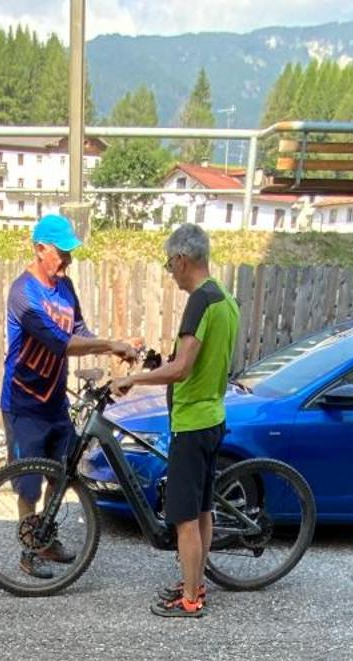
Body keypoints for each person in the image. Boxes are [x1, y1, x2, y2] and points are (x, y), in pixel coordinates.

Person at [1, 213, 140, 581]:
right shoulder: (23, 293)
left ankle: (47, 540)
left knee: (61, 473)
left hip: (54, 403)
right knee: (28, 484)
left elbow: (78, 329)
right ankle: (29, 551)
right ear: (40, 248)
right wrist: (108, 342)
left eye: (70, 253)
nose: (67, 260)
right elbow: (59, 342)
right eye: (61, 253)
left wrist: (114, 348)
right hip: (23, 403)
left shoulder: (66, 287)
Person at [113, 223, 239, 619]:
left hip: (192, 422)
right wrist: (157, 364)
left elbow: (182, 369)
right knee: (203, 511)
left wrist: (133, 378)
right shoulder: (226, 301)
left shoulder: (200, 301)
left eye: (170, 264)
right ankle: (195, 584)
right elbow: (197, 362)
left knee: (184, 517)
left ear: (183, 260)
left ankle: (190, 600)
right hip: (213, 417)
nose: (171, 272)